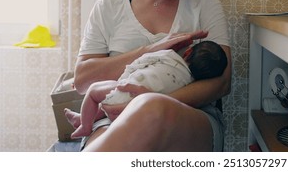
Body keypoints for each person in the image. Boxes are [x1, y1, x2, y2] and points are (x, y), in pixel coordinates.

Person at [73, 0, 231, 152]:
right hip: (110, 117)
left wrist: (146, 100)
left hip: (188, 116)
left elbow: (222, 82)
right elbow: (82, 81)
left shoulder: (205, 5)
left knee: (152, 108)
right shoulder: (109, 6)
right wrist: (148, 50)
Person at [65, 41, 227, 139]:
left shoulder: (168, 55)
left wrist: (124, 79)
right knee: (111, 99)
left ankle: (85, 124)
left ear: (189, 51)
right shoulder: (188, 85)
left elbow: (141, 61)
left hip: (121, 96)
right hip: (139, 112)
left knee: (94, 91)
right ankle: (84, 120)